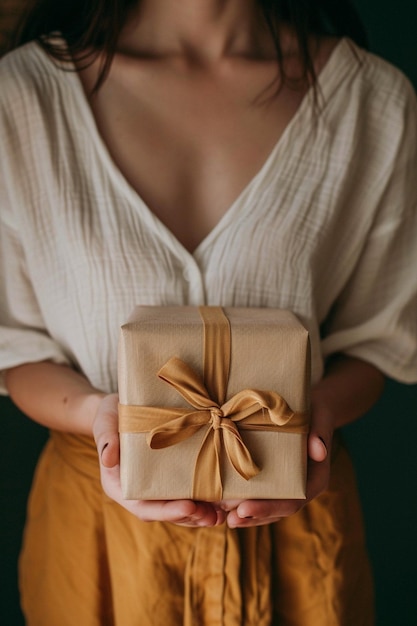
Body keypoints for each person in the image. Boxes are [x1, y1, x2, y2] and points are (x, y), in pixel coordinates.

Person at [1, 0, 416, 624]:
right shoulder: (20, 97)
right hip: (99, 542)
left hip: (295, 535)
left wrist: (316, 419)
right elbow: (15, 349)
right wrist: (101, 419)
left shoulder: (373, 102)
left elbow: (378, 340)